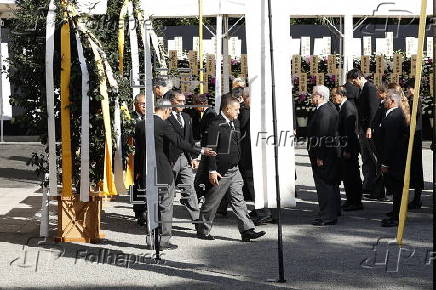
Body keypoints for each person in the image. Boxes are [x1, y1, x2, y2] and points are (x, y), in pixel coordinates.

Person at [135, 98, 216, 250]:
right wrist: (201, 150)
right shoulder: (163, 124)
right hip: (163, 170)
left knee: (152, 206)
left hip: (147, 170)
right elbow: (179, 142)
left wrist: (139, 171)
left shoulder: (140, 124)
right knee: (166, 205)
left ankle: (151, 240)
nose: (169, 114)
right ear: (165, 110)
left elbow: (138, 151)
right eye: (169, 111)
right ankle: (164, 240)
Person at [196, 96, 266, 241]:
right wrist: (212, 170)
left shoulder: (235, 122)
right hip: (221, 171)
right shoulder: (216, 124)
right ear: (227, 109)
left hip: (234, 170)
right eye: (236, 109)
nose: (238, 112)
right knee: (212, 202)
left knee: (238, 200)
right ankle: (202, 229)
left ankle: (247, 229)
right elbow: (211, 149)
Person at [165, 91, 201, 222]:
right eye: (179, 101)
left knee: (189, 188)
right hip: (170, 159)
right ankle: (162, 220)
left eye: (184, 101)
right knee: (168, 191)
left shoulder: (186, 117)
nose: (182, 104)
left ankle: (198, 221)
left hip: (185, 158)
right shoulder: (166, 116)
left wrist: (194, 157)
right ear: (172, 101)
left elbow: (190, 139)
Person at [307, 85, 341, 226]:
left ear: (320, 96)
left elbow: (323, 135)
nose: (312, 97)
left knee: (325, 184)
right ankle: (331, 211)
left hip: (325, 154)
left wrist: (320, 156)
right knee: (330, 184)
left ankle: (327, 215)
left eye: (314, 95)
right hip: (329, 153)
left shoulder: (324, 111)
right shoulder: (327, 108)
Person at [376, 91, 408, 227]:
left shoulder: (394, 117)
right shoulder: (393, 114)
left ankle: (397, 217)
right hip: (394, 158)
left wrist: (385, 163)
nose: (384, 101)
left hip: (394, 160)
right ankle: (396, 212)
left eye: (387, 99)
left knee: (397, 188)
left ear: (393, 101)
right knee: (396, 189)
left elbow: (390, 142)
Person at [348, 69, 380, 198]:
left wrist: (369, 128)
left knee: (374, 158)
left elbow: (373, 109)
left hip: (369, 129)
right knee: (366, 158)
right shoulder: (361, 89)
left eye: (353, 81)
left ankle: (378, 189)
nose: (353, 84)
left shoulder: (370, 88)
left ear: (358, 77)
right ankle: (368, 185)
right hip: (362, 127)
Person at [331, 86, 363, 211]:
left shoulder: (347, 108)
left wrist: (347, 150)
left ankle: (356, 201)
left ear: (341, 95)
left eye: (335, 96)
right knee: (347, 175)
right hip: (345, 145)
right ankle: (351, 199)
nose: (333, 98)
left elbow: (349, 132)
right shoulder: (343, 107)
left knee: (352, 175)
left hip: (349, 147)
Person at [405, 79, 424, 209]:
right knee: (415, 167)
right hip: (415, 135)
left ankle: (417, 198)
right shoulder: (414, 99)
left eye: (408, 88)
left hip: (414, 135)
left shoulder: (414, 100)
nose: (407, 91)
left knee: (416, 167)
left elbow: (412, 117)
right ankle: (416, 197)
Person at [131, 93, 146, 225]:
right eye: (142, 104)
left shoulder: (151, 118)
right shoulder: (130, 118)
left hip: (146, 155)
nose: (145, 107)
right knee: (137, 184)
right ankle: (139, 211)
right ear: (136, 104)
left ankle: (145, 210)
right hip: (135, 156)